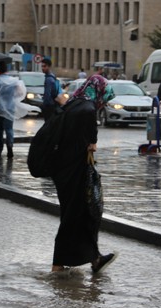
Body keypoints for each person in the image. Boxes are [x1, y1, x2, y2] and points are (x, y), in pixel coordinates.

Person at [50, 75, 117, 273]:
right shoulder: (87, 111)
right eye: (104, 97)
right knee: (75, 216)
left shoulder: (74, 104)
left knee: (81, 216)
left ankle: (94, 259)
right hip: (74, 172)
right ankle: (58, 265)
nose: (104, 102)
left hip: (63, 170)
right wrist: (91, 144)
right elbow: (90, 144)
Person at [0, 61, 33, 158]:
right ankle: (10, 147)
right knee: (9, 129)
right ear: (6, 69)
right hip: (10, 107)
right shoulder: (13, 81)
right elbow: (20, 92)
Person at [41, 58, 60, 123]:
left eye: (44, 66)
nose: (43, 68)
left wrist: (44, 105)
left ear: (49, 67)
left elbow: (47, 94)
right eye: (42, 66)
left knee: (48, 126)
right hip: (53, 105)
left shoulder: (49, 79)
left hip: (49, 107)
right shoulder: (53, 77)